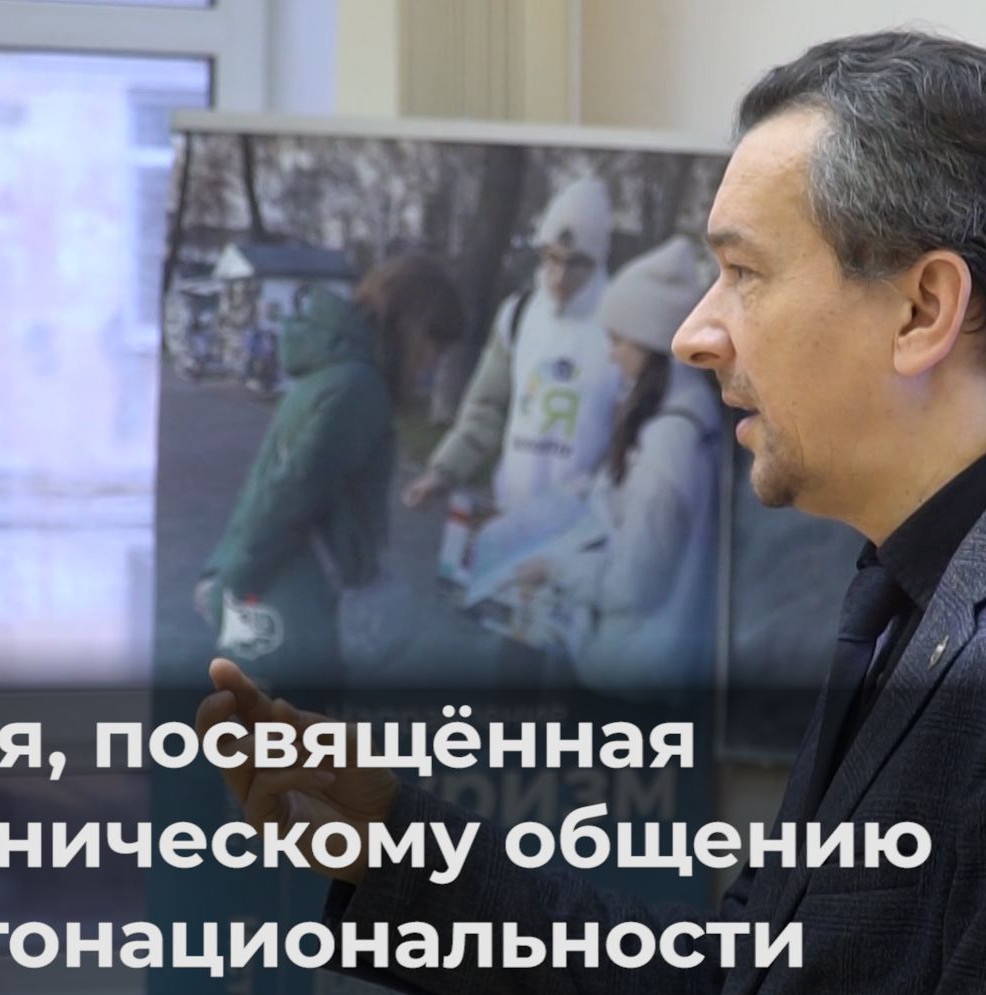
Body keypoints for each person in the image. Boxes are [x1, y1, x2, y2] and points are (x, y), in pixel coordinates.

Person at [199, 30, 986, 995]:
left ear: (924, 308)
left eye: (744, 272)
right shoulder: (926, 593)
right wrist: (395, 842)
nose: (694, 332)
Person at [195, 254, 465, 692]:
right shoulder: (358, 390)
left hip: (283, 600)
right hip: (300, 609)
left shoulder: (334, 374)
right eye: (436, 343)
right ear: (412, 326)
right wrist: (230, 584)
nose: (432, 362)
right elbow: (287, 498)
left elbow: (272, 488)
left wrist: (226, 575)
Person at [490, 236, 722, 696]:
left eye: (618, 340)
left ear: (652, 344)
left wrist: (554, 569)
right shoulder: (684, 418)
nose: (610, 354)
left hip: (633, 679)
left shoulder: (667, 446)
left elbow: (633, 587)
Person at [402, 177, 621, 514]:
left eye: (576, 263)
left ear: (598, 260)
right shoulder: (518, 314)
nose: (560, 276)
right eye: (552, 258)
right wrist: (444, 471)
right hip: (511, 512)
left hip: (582, 524)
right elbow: (486, 407)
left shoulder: (622, 325)